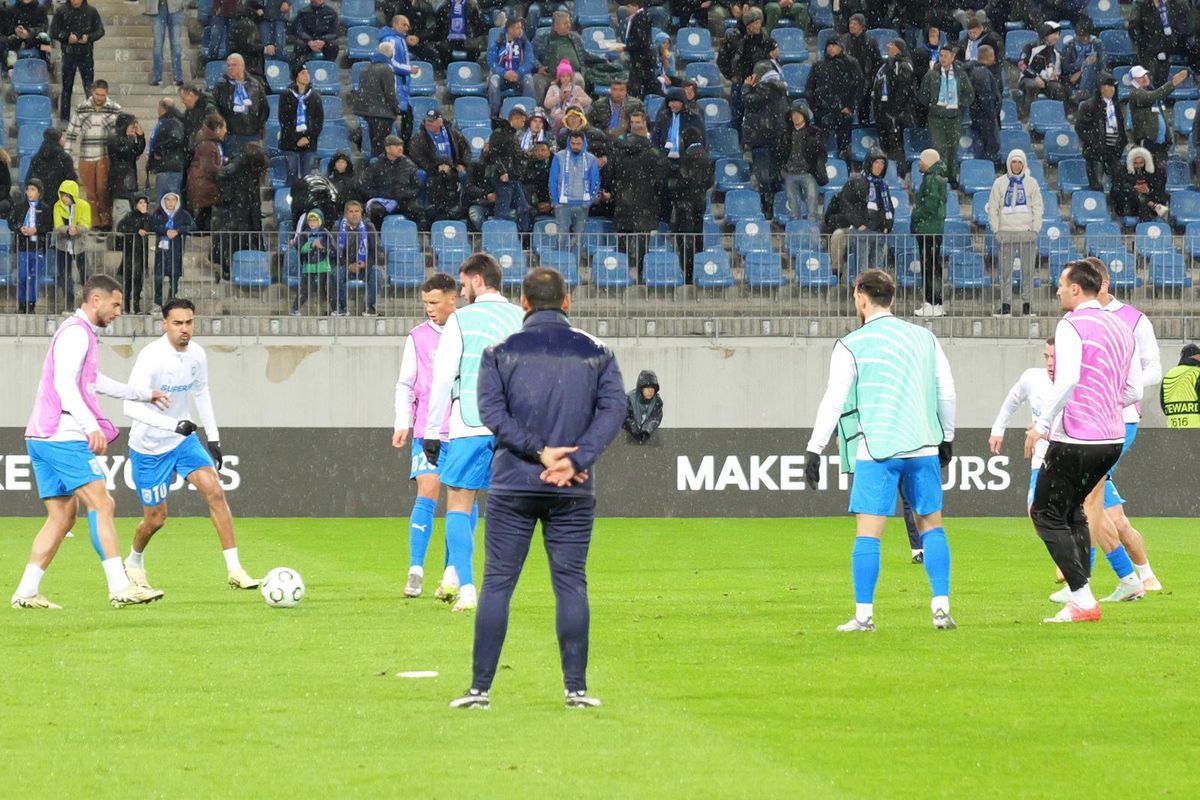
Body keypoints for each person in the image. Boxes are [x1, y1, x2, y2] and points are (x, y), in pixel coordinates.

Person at [450, 267, 626, 710]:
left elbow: (491, 413)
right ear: (566, 302)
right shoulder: (598, 353)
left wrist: (539, 452)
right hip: (573, 488)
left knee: (497, 585)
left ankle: (479, 689)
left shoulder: (498, 352)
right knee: (570, 584)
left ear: (523, 304)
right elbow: (614, 410)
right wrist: (574, 459)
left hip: (514, 484)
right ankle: (576, 689)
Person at [804, 269, 957, 632]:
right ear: (892, 298)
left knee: (869, 531)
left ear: (860, 296)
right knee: (932, 526)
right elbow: (946, 391)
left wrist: (815, 447)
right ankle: (941, 608)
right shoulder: (924, 337)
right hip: (922, 445)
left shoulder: (850, 344)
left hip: (877, 449)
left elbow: (834, 399)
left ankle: (864, 616)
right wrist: (947, 436)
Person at [11, 275, 167, 610]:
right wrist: (89, 426)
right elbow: (65, 383)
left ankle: (25, 592)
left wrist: (144, 394)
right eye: (116, 304)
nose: (118, 312)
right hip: (62, 434)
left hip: (41, 435)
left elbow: (95, 382)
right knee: (102, 503)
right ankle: (119, 586)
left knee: (62, 517)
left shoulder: (80, 335)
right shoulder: (76, 333)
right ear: (96, 300)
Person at [1026, 260, 1141, 623]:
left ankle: (1082, 599)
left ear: (1077, 289)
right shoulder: (1122, 326)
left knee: (1043, 512)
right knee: (1073, 510)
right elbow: (1135, 389)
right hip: (1113, 437)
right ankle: (1083, 593)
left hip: (1078, 435)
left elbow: (1069, 378)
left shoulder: (1071, 325)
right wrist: (1105, 405)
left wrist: (1041, 424)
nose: (1058, 291)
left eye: (1061, 285)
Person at [120, 297, 259, 590]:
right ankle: (133, 560)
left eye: (189, 323)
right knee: (155, 520)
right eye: (178, 323)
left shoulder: (197, 354)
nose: (185, 329)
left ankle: (235, 569)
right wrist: (172, 424)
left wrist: (214, 437)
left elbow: (202, 392)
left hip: (183, 441)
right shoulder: (150, 358)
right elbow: (129, 408)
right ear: (165, 325)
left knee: (215, 491)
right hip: (149, 448)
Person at [422, 254, 526, 613]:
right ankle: (487, 585)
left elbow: (442, 378)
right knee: (507, 510)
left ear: (478, 281)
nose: (461, 291)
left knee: (460, 502)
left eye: (464, 284)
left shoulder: (461, 321)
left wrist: (433, 430)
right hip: (513, 427)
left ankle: (466, 588)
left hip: (471, 421)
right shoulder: (521, 318)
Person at [393, 273, 459, 598]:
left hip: (463, 429)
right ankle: (416, 569)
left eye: (434, 303)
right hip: (426, 431)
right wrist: (401, 421)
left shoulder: (466, 334)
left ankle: (452, 571)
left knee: (461, 498)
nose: (429, 309)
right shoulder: (417, 337)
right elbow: (405, 383)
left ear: (452, 299)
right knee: (429, 488)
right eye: (425, 303)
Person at [989, 337, 1056, 510]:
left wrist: (1044, 432)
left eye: (1054, 357)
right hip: (1042, 459)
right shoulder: (1032, 378)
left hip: (1073, 460)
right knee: (1034, 508)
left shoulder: (1077, 385)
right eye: (1046, 357)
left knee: (1110, 519)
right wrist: (998, 429)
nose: (1049, 363)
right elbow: (1012, 401)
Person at [986, 149, 1043, 318]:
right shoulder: (999, 183)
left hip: (1026, 233)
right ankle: (1006, 306)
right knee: (1005, 272)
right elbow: (993, 207)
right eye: (1013, 162)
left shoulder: (1032, 183)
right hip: (1006, 233)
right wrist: (996, 230)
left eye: (1019, 162)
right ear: (1009, 164)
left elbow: (1037, 207)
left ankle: (1027, 305)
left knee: (1028, 271)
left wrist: (1035, 229)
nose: (1016, 165)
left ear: (1024, 164)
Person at [64, 80, 121, 229]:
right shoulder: (81, 109)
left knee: (103, 190)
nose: (100, 98)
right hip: (86, 157)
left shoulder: (115, 109)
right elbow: (71, 134)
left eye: (103, 95)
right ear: (92, 92)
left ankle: (106, 221)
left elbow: (121, 134)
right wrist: (67, 156)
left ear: (106, 93)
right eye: (97, 94)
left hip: (105, 155)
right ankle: (94, 222)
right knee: (90, 193)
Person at [919, 45, 973, 187]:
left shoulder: (960, 74)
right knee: (939, 148)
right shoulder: (932, 74)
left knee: (953, 148)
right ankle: (939, 177)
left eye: (945, 56)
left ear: (952, 57)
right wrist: (932, 105)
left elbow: (969, 94)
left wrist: (960, 104)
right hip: (936, 118)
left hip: (954, 117)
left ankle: (952, 177)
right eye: (941, 56)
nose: (943, 59)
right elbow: (923, 95)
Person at [741, 60, 788, 218]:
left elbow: (748, 102)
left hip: (763, 138)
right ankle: (776, 205)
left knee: (764, 175)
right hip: (777, 138)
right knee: (775, 174)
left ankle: (768, 206)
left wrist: (746, 88)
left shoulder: (764, 88)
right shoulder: (779, 87)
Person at [805, 37, 864, 161]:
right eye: (829, 45)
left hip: (844, 113)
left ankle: (845, 167)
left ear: (841, 47)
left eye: (834, 45)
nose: (831, 48)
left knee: (845, 148)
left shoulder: (851, 63)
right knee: (820, 147)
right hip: (823, 112)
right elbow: (809, 88)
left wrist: (851, 106)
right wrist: (816, 108)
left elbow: (860, 87)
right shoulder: (818, 65)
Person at [50, 0, 104, 122]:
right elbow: (53, 31)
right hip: (69, 54)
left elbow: (100, 30)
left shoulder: (91, 11)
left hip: (86, 54)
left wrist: (89, 37)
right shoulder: (61, 11)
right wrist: (66, 37)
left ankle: (93, 118)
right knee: (66, 89)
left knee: (89, 88)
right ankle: (65, 120)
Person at [911, 148, 949, 318]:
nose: (920, 163)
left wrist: (916, 213)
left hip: (928, 229)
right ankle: (936, 302)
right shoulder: (938, 178)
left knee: (929, 267)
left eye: (921, 160)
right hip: (932, 229)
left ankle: (931, 301)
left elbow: (930, 204)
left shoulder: (932, 179)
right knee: (933, 266)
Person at [1128, 64, 1189, 168]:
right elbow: (1155, 95)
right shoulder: (1135, 94)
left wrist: (1167, 138)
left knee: (1161, 176)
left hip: (1160, 144)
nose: (1144, 78)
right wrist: (1173, 83)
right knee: (1150, 174)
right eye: (1140, 77)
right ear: (1133, 81)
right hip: (1149, 143)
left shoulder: (1150, 91)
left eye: (1145, 75)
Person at [357, 135, 423, 230]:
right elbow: (365, 185)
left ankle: (418, 239)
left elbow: (416, 187)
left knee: (418, 211)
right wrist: (380, 195)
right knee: (375, 211)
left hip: (403, 201)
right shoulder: (376, 165)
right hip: (383, 201)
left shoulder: (409, 165)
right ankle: (378, 238)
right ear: (387, 149)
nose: (400, 148)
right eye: (396, 146)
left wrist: (403, 194)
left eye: (401, 146)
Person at [548, 130, 600, 249]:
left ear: (584, 143)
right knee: (561, 238)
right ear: (568, 143)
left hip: (582, 205)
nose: (575, 146)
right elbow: (553, 180)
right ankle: (560, 264)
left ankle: (574, 266)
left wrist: (589, 201)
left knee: (578, 239)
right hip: (563, 205)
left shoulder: (591, 159)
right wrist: (555, 202)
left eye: (578, 144)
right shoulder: (559, 157)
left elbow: (595, 182)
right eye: (573, 143)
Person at [1075, 73, 1127, 192]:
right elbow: (1081, 128)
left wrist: (1121, 144)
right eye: (1108, 86)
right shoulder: (1088, 105)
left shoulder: (1116, 106)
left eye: (1113, 86)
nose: (1111, 89)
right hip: (1095, 153)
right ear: (1100, 88)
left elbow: (1120, 128)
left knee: (1120, 183)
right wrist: (1096, 145)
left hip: (1113, 152)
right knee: (1096, 185)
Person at [211, 54, 269, 157]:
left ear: (242, 66)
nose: (230, 68)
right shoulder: (221, 86)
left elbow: (264, 109)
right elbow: (216, 109)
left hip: (253, 134)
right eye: (228, 65)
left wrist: (259, 128)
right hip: (231, 135)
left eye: (234, 65)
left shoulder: (255, 84)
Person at [486, 105, 533, 230]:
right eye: (522, 121)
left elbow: (513, 154)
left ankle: (523, 239)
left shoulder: (511, 135)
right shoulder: (500, 133)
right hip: (504, 179)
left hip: (514, 177)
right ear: (515, 119)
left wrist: (524, 156)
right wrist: (502, 171)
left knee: (524, 208)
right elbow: (493, 153)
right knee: (502, 210)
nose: (523, 124)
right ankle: (499, 238)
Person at [872, 40, 915, 175]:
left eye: (891, 45)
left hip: (895, 116)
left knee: (896, 146)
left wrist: (894, 111)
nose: (887, 46)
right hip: (884, 113)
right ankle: (889, 173)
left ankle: (898, 174)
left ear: (899, 49)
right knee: (886, 145)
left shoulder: (903, 66)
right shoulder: (887, 65)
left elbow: (903, 91)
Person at [331, 200, 381, 317]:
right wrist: (348, 265)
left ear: (361, 213)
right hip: (345, 267)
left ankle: (369, 307)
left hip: (364, 267)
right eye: (351, 211)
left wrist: (365, 264)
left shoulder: (369, 227)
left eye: (357, 211)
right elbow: (334, 252)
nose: (354, 214)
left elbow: (376, 251)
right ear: (345, 214)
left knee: (377, 274)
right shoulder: (337, 228)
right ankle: (342, 307)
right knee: (336, 273)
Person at [11, 179, 53, 315]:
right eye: (28, 189)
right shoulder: (19, 207)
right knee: (22, 277)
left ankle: (32, 303)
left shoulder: (45, 208)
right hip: (23, 247)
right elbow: (12, 222)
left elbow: (48, 226)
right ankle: (22, 303)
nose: (29, 192)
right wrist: (20, 228)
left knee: (34, 277)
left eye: (33, 190)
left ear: (39, 193)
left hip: (38, 248)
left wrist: (36, 229)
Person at [356, 41, 405, 159]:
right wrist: (396, 109)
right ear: (391, 54)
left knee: (376, 146)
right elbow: (390, 94)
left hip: (369, 113)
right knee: (382, 149)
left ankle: (376, 168)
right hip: (383, 114)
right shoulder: (387, 69)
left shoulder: (365, 69)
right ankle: (379, 172)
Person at [780, 103, 826, 223]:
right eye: (793, 114)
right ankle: (796, 231)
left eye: (798, 114)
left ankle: (812, 231)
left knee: (812, 205)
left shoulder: (814, 133)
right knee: (793, 206)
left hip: (808, 173)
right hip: (790, 173)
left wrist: (815, 165)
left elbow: (822, 154)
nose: (795, 117)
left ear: (804, 116)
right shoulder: (786, 134)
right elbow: (780, 153)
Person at [279, 66, 325, 184]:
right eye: (303, 73)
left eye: (308, 73)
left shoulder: (315, 96)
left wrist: (307, 137)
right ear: (296, 77)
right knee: (291, 174)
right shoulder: (286, 96)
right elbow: (284, 121)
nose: (306, 76)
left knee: (308, 178)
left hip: (309, 143)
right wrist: (297, 139)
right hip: (289, 142)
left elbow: (318, 121)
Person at [150, 192, 194, 311]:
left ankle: (171, 301)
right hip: (162, 250)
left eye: (173, 200)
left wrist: (178, 231)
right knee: (158, 277)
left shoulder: (183, 214)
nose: (170, 202)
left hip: (176, 250)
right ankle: (157, 303)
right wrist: (165, 231)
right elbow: (152, 225)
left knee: (174, 277)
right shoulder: (159, 213)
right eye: (167, 200)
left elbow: (193, 226)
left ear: (177, 201)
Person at [1131, 0, 1189, 87]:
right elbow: (1134, 29)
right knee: (1150, 82)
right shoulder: (1142, 6)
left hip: (1168, 49)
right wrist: (1147, 43)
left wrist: (1172, 39)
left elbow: (1185, 27)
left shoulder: (1177, 5)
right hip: (1148, 50)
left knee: (1162, 81)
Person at [487, 18, 537, 117]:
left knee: (529, 80)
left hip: (519, 75)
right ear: (510, 29)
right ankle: (494, 114)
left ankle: (529, 113)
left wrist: (519, 72)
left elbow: (530, 61)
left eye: (521, 28)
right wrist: (504, 73)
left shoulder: (524, 42)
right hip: (502, 76)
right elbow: (491, 61)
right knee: (494, 81)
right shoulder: (499, 41)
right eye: (518, 28)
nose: (521, 30)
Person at [52, 180, 91, 308]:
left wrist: (77, 229)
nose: (64, 198)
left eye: (67, 195)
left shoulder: (84, 206)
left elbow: (86, 223)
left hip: (79, 245)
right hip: (62, 245)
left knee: (84, 272)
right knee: (64, 274)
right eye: (63, 195)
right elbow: (58, 225)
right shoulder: (57, 206)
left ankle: (89, 301)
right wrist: (67, 230)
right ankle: (69, 301)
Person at [1017, 22, 1068, 118]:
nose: (1057, 37)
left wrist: (1055, 77)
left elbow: (1057, 73)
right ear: (1045, 34)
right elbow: (1021, 65)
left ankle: (1057, 117)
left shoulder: (1056, 53)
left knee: (1058, 89)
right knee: (1032, 85)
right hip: (1027, 79)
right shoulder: (1030, 47)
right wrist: (1035, 77)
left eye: (1058, 34)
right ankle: (1028, 117)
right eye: (1054, 34)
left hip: (1046, 82)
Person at [186, 114, 226, 231]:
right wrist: (225, 171)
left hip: (204, 185)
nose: (226, 131)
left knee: (204, 215)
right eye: (224, 128)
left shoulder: (210, 143)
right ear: (217, 129)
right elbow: (210, 168)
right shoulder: (208, 145)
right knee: (203, 219)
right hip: (204, 186)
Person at [291, 209, 334, 315]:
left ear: (320, 221)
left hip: (323, 266)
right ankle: (294, 309)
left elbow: (332, 249)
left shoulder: (325, 233)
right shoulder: (304, 234)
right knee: (305, 290)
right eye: (310, 220)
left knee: (328, 289)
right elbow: (301, 249)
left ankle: (336, 309)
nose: (312, 223)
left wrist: (322, 248)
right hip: (308, 267)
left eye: (315, 220)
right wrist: (311, 245)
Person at [107, 113, 145, 227]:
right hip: (120, 182)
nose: (134, 129)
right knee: (121, 216)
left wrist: (141, 137)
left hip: (129, 182)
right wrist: (132, 137)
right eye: (132, 126)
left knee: (129, 217)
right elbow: (124, 151)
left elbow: (137, 151)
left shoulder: (129, 139)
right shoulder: (114, 137)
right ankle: (119, 242)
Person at [966, 45, 1002, 166]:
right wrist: (991, 113)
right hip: (985, 117)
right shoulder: (982, 73)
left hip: (979, 115)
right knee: (989, 147)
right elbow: (986, 97)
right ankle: (987, 171)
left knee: (982, 145)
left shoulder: (975, 70)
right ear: (989, 57)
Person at [1112, 147, 1169, 222]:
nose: (1138, 166)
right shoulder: (1122, 173)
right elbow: (1115, 192)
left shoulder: (1155, 174)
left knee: (1141, 203)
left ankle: (1147, 204)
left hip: (1147, 208)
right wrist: (1133, 190)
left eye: (1141, 163)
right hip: (1129, 206)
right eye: (1135, 163)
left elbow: (1160, 192)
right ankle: (1151, 204)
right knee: (1127, 188)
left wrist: (1149, 191)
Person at [147, 99, 188, 202]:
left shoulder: (171, 122)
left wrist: (160, 151)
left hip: (170, 167)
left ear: (161, 107)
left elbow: (176, 139)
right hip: (168, 166)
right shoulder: (167, 121)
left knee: (168, 202)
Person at [841, 14, 880, 124]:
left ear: (862, 26)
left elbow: (877, 62)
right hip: (848, 82)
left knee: (864, 111)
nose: (852, 26)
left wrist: (871, 79)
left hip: (865, 81)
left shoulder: (871, 42)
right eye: (851, 23)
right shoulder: (843, 41)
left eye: (855, 24)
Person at [117, 194, 152, 314]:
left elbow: (153, 226)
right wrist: (136, 230)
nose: (143, 205)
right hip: (130, 252)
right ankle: (126, 307)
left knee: (138, 281)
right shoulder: (130, 216)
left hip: (142, 252)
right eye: (140, 203)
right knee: (128, 281)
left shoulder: (148, 217)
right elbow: (121, 227)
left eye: (144, 203)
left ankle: (136, 307)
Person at [1061, 16, 1107, 105]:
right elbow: (1066, 67)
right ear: (1077, 35)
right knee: (1088, 65)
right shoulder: (1069, 45)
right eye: (1082, 37)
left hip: (1094, 76)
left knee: (1091, 66)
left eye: (1087, 36)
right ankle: (1085, 95)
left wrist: (1084, 69)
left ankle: (1082, 92)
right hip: (1074, 77)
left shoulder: (1097, 44)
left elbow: (1103, 65)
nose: (1085, 39)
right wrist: (1083, 65)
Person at [618, 0, 655, 98]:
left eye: (629, 6)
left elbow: (640, 42)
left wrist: (625, 47)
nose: (627, 9)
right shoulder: (643, 16)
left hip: (641, 59)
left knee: (637, 86)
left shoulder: (640, 18)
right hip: (642, 58)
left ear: (635, 6)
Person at [433, 0, 487, 67]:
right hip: (448, 42)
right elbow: (439, 30)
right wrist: (444, 39)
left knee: (473, 50)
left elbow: (479, 28)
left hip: (468, 41)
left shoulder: (472, 7)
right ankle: (447, 71)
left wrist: (474, 40)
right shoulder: (443, 8)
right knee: (444, 49)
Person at [144, 0, 185, 86]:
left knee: (176, 44)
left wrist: (183, 3)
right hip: (157, 8)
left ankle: (178, 77)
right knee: (158, 45)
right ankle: (157, 77)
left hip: (175, 8)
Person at [544, 60, 591, 133]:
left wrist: (578, 100)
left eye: (567, 76)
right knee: (560, 121)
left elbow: (589, 100)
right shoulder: (553, 88)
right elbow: (546, 104)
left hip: (573, 115)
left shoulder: (576, 88)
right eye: (563, 76)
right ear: (559, 77)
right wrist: (559, 98)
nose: (565, 78)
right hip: (557, 116)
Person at [1161, 343, 1200, 427]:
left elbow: (1163, 404)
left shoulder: (1169, 374)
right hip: (1196, 430)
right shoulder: (1197, 373)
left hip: (1173, 429)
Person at [293, 0, 338, 67]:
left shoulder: (331, 12)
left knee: (333, 46)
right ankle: (301, 69)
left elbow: (335, 32)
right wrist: (309, 41)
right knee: (300, 46)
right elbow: (299, 31)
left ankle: (329, 67)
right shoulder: (302, 12)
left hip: (324, 41)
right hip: (308, 40)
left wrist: (323, 40)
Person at [623, 370, 662, 443]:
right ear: (641, 389)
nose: (650, 391)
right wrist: (634, 431)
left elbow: (655, 418)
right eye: (647, 388)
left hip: (648, 443)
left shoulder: (657, 402)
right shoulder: (629, 399)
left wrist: (646, 431)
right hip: (625, 440)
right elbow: (625, 417)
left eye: (652, 388)